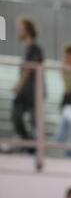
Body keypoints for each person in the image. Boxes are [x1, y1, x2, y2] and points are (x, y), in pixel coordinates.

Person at [11, 18, 44, 148]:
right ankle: (28, 144)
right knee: (16, 116)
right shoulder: (27, 48)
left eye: (21, 28)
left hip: (33, 89)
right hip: (25, 89)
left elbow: (30, 69)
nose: (18, 31)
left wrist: (19, 84)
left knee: (34, 121)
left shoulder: (35, 48)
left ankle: (34, 146)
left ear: (28, 30)